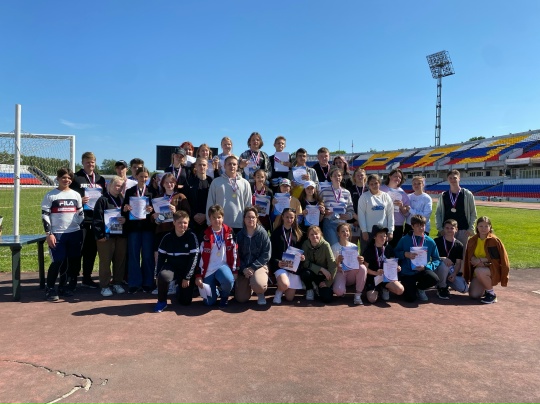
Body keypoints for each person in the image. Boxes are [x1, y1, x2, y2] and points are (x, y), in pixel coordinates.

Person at [41, 168, 84, 301]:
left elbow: (80, 213)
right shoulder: (51, 195)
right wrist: (49, 233)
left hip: (74, 232)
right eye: (64, 177)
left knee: (70, 261)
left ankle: (63, 287)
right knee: (58, 261)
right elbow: (45, 215)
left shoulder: (76, 195)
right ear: (58, 178)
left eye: (69, 178)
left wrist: (78, 223)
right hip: (57, 234)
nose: (67, 180)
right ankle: (50, 288)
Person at [69, 151, 107, 289]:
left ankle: (87, 277)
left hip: (95, 219)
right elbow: (68, 195)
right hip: (80, 219)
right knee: (78, 250)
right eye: (87, 162)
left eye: (92, 162)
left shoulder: (100, 179)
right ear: (82, 163)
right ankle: (72, 278)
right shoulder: (76, 177)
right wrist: (79, 200)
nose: (90, 164)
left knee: (91, 251)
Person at [153, 211, 200, 312]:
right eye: (179, 222)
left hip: (185, 269)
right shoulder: (167, 237)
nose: (182, 225)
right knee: (163, 276)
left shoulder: (192, 236)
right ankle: (162, 301)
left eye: (185, 223)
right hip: (171, 266)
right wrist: (157, 275)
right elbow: (160, 257)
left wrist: (187, 277)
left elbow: (194, 259)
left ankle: (179, 289)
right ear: (174, 222)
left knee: (185, 302)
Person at [151, 173, 191, 294]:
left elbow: (187, 214)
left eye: (172, 182)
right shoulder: (157, 197)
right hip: (161, 232)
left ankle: (172, 284)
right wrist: (154, 217)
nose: (169, 184)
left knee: (173, 258)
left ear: (175, 184)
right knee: (158, 258)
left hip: (175, 233)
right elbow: (152, 218)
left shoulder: (181, 197)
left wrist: (176, 211)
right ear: (162, 184)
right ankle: (159, 284)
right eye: (167, 182)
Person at [195, 205, 237, 308]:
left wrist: (235, 270)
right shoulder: (204, 234)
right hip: (208, 269)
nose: (217, 220)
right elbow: (198, 256)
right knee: (209, 302)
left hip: (223, 266)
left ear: (223, 218)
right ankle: (215, 291)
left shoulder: (229, 232)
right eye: (214, 217)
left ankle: (224, 296)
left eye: (219, 217)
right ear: (209, 218)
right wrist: (198, 275)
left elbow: (235, 252)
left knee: (228, 280)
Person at [121, 166, 155, 294]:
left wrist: (152, 209)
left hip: (147, 228)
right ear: (136, 176)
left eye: (146, 177)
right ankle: (134, 283)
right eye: (141, 176)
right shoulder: (130, 191)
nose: (143, 179)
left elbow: (156, 209)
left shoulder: (152, 191)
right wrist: (126, 208)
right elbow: (124, 209)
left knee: (147, 256)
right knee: (134, 256)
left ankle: (148, 283)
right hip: (133, 228)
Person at [93, 176, 127, 297]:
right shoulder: (102, 200)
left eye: (121, 186)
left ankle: (117, 283)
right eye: (117, 185)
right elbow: (97, 219)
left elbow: (127, 216)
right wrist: (100, 235)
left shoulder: (123, 200)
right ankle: (105, 285)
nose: (119, 188)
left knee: (120, 261)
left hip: (121, 236)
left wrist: (125, 220)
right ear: (109, 185)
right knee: (105, 261)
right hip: (106, 236)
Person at [463, 216, 509, 304]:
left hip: (492, 270)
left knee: (479, 271)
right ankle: (485, 287)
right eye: (481, 226)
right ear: (477, 227)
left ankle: (491, 294)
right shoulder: (473, 240)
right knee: (474, 295)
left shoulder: (493, 240)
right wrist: (473, 259)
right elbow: (469, 255)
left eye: (486, 226)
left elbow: (496, 259)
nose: (483, 228)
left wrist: (481, 261)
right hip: (478, 270)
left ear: (490, 227)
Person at [394, 215, 440, 302]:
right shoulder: (405, 239)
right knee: (410, 299)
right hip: (408, 272)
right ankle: (411, 289)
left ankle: (420, 288)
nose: (421, 228)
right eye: (418, 226)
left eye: (422, 226)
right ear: (412, 226)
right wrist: (405, 254)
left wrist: (426, 267)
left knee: (434, 279)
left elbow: (436, 259)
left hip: (422, 270)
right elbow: (396, 252)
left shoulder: (430, 241)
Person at [206, 155, 252, 233]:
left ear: (237, 166)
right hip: (220, 223)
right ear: (224, 166)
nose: (232, 166)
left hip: (239, 224)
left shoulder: (245, 183)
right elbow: (210, 202)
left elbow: (248, 204)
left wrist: (248, 222)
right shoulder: (216, 182)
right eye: (229, 164)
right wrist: (209, 221)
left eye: (234, 164)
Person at [235, 207, 271, 305]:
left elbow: (266, 254)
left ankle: (260, 293)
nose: (250, 219)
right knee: (241, 298)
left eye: (253, 217)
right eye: (248, 217)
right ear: (244, 219)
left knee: (259, 285)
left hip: (259, 266)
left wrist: (253, 267)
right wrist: (243, 268)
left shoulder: (263, 233)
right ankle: (250, 286)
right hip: (244, 268)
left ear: (256, 218)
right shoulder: (239, 235)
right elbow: (236, 255)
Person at [435, 169, 477, 251]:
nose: (453, 180)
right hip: (447, 229)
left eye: (455, 178)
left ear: (459, 178)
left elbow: (473, 213)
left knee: (462, 253)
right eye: (450, 178)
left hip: (463, 229)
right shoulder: (443, 195)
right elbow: (438, 213)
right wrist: (440, 229)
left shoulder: (467, 194)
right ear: (447, 180)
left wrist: (470, 228)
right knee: (447, 251)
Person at [270, 208, 305, 304]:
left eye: (292, 217)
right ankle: (279, 291)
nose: (289, 220)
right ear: (282, 217)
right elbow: (271, 253)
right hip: (280, 266)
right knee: (285, 284)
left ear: (295, 218)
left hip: (293, 267)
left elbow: (301, 251)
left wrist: (302, 257)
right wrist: (277, 262)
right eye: (287, 217)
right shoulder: (276, 233)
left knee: (289, 298)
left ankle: (282, 288)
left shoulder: (298, 233)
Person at [331, 223, 367, 305]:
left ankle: (358, 295)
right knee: (339, 292)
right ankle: (342, 288)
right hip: (340, 272)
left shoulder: (354, 246)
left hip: (351, 273)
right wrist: (337, 261)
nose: (345, 233)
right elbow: (331, 266)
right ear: (338, 234)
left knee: (362, 267)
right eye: (342, 231)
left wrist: (360, 260)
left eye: (347, 231)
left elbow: (357, 263)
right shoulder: (334, 247)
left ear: (350, 233)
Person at [358, 174, 394, 254]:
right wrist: (364, 230)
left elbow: (390, 214)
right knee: (366, 254)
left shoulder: (386, 196)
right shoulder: (364, 197)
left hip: (382, 232)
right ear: (368, 185)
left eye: (376, 183)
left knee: (382, 254)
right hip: (368, 232)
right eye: (371, 184)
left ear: (379, 183)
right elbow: (361, 215)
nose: (374, 185)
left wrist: (390, 231)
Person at [300, 225, 337, 303]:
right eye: (311, 234)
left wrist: (327, 283)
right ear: (308, 236)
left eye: (316, 234)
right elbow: (305, 263)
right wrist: (321, 269)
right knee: (305, 273)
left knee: (327, 298)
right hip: (311, 272)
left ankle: (318, 288)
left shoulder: (326, 245)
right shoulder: (305, 244)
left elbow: (332, 264)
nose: (314, 236)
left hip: (323, 276)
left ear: (320, 235)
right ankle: (309, 288)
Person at [319, 167, 354, 247]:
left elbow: (350, 209)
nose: (337, 177)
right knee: (333, 246)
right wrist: (324, 212)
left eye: (339, 175)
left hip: (342, 224)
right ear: (331, 177)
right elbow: (319, 207)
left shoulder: (346, 192)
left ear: (342, 177)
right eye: (334, 176)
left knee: (343, 246)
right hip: (329, 222)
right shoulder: (324, 191)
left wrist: (348, 216)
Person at [433, 219, 468, 299]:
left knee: (464, 289)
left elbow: (458, 263)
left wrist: (454, 274)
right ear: (443, 229)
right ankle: (442, 287)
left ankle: (445, 282)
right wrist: (443, 258)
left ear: (456, 229)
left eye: (452, 228)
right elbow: (431, 257)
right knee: (444, 265)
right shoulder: (437, 241)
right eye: (447, 228)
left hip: (451, 270)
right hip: (438, 268)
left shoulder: (459, 245)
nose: (449, 230)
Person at [183, 157, 213, 240]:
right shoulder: (189, 182)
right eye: (199, 165)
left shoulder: (212, 182)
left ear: (207, 166)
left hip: (208, 220)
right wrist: (193, 215)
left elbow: (215, 201)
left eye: (204, 165)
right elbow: (185, 202)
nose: (202, 167)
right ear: (195, 166)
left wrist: (206, 215)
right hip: (193, 220)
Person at [380, 169, 410, 248]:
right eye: (395, 176)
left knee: (395, 249)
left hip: (397, 225)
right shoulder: (381, 189)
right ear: (389, 176)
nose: (397, 178)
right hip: (382, 223)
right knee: (381, 248)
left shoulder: (402, 193)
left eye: (400, 177)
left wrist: (401, 206)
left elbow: (406, 214)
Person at [347, 167, 368, 245]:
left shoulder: (369, 190)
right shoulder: (349, 190)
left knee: (365, 245)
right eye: (358, 175)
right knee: (352, 245)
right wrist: (357, 219)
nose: (360, 177)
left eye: (362, 175)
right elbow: (348, 206)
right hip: (353, 222)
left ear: (365, 176)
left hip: (366, 222)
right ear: (354, 177)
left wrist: (361, 220)